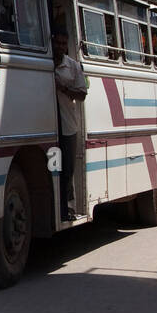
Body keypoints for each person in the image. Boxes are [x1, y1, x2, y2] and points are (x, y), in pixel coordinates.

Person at [53, 30, 88, 221]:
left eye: (63, 43)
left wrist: (63, 88)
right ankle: (57, 208)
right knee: (53, 167)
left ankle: (68, 208)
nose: (59, 46)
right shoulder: (44, 64)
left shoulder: (72, 66)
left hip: (67, 126)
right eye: (57, 43)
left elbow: (82, 94)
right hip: (48, 126)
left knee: (67, 169)